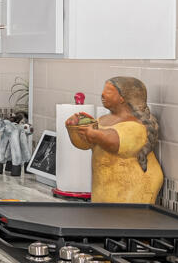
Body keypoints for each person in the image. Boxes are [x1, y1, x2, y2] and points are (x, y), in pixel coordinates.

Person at [64, 76, 162, 204]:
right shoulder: (103, 120)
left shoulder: (137, 126)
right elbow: (85, 144)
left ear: (122, 98)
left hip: (132, 189)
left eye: (108, 92)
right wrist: (74, 128)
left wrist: (95, 134)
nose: (102, 95)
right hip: (105, 189)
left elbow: (115, 142)